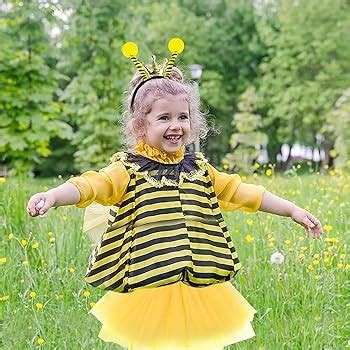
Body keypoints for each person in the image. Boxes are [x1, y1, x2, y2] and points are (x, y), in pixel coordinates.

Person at [27, 38, 323, 350]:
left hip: (196, 284)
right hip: (150, 283)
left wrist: (292, 210)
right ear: (141, 125)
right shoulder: (128, 169)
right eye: (164, 118)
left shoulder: (199, 169)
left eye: (183, 117)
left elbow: (241, 192)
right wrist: (54, 195)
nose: (176, 125)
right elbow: (91, 186)